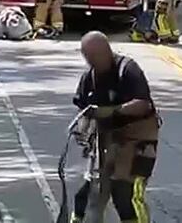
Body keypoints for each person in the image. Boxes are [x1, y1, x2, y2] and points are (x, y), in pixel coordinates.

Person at [71, 31, 161, 223]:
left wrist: (112, 111)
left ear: (108, 51)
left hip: (137, 140)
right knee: (85, 196)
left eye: (97, 57)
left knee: (125, 194)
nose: (93, 62)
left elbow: (143, 103)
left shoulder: (127, 69)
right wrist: (83, 127)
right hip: (107, 142)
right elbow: (84, 111)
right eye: (89, 58)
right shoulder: (89, 78)